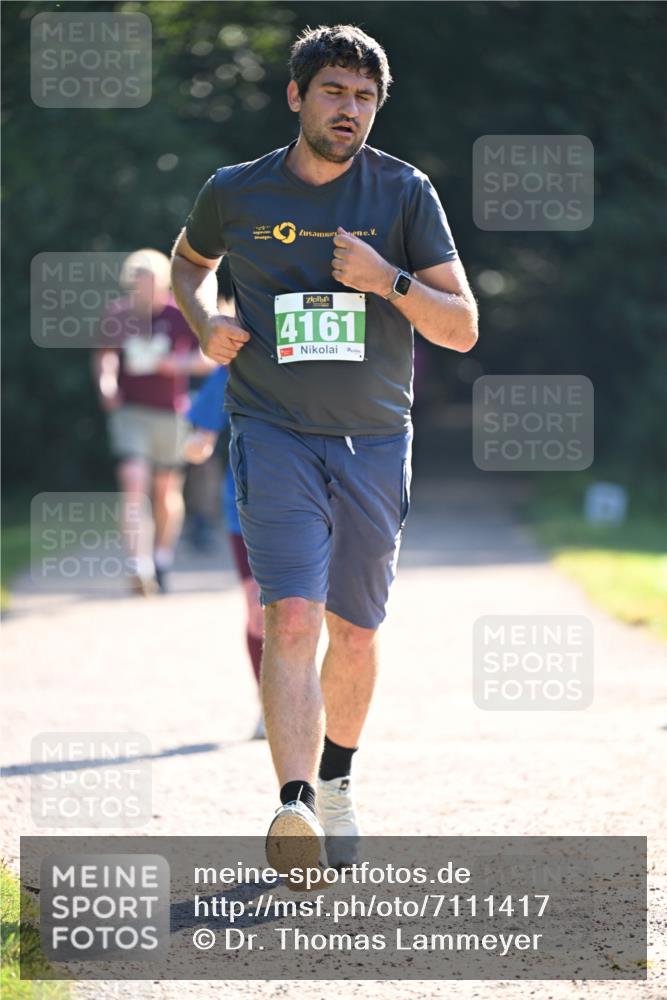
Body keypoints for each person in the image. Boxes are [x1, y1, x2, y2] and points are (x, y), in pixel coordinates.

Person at [171, 24, 478, 872]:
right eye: (336, 91)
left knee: (354, 631)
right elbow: (188, 263)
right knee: (291, 615)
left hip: (376, 440)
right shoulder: (235, 191)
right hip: (270, 428)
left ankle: (338, 781)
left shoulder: (404, 193)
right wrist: (206, 320)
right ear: (296, 96)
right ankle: (295, 806)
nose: (351, 110)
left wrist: (390, 281)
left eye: (365, 98)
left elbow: (460, 328)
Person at [93, 248, 213, 595]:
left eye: (149, 282)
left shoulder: (180, 314)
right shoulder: (118, 314)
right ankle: (137, 564)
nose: (142, 289)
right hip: (131, 411)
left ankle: (161, 557)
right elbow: (105, 358)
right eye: (137, 283)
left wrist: (177, 366)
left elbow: (207, 358)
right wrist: (107, 384)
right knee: (133, 479)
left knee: (165, 491)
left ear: (162, 283)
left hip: (171, 412)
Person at [183, 365, 266, 739]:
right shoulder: (229, 370)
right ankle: (270, 703)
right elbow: (201, 437)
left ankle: (308, 696)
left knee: (307, 611)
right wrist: (194, 446)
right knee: (257, 610)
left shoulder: (305, 358)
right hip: (244, 509)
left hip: (309, 505)